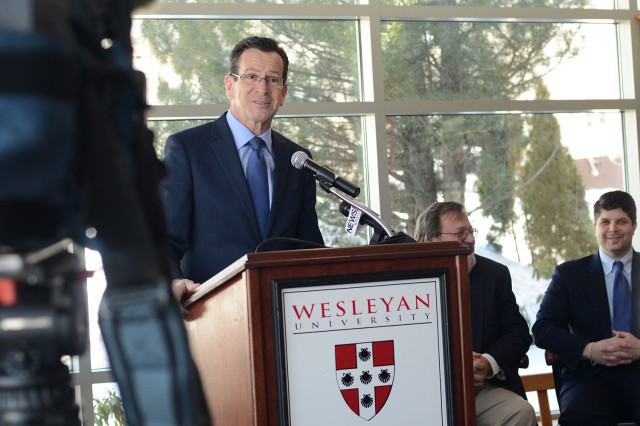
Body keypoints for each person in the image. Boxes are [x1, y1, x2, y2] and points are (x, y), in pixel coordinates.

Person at [163, 36, 325, 301]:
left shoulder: (298, 159)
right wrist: (172, 280)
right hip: (214, 313)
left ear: (283, 93)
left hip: (285, 313)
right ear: (230, 85)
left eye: (273, 80)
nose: (262, 89)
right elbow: (166, 239)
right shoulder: (188, 149)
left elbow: (308, 247)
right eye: (251, 76)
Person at [414, 201, 537, 426]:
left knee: (521, 412)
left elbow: (518, 332)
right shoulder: (407, 281)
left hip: (480, 390)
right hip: (422, 391)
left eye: (471, 231)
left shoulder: (494, 275)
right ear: (430, 241)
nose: (470, 239)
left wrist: (487, 363)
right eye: (460, 233)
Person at [532, 190, 640, 426]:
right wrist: (589, 349)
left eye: (621, 221)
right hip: (589, 375)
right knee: (581, 419)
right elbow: (542, 328)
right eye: (605, 222)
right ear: (595, 227)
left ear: (634, 225)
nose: (613, 228)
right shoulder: (569, 275)